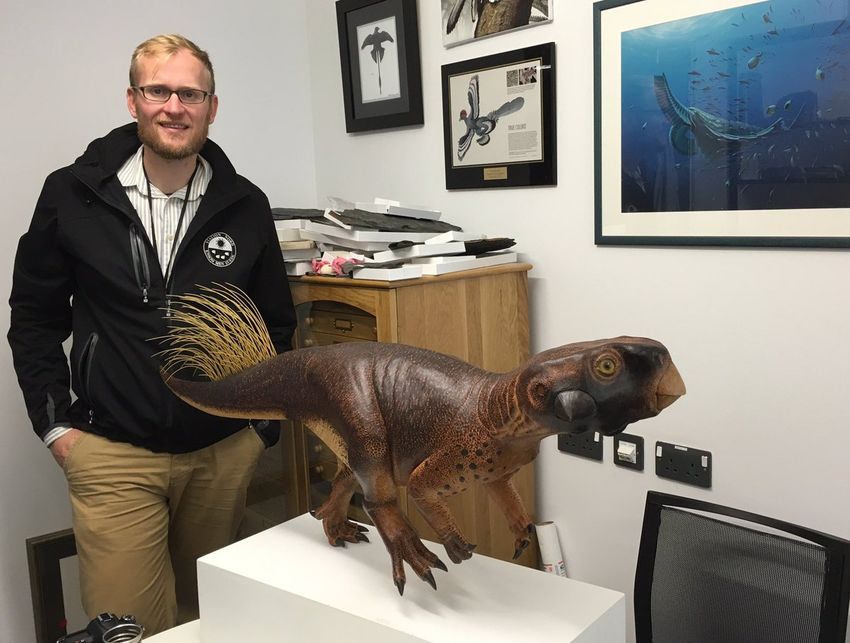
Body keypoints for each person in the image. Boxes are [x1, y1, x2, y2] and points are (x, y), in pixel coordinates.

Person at [7, 34, 296, 635]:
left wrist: (258, 429)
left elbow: (275, 326)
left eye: (191, 93)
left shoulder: (244, 204)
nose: (174, 106)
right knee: (130, 628)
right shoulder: (73, 194)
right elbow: (33, 319)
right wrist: (57, 427)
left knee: (211, 615)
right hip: (112, 454)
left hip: (221, 453)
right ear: (133, 100)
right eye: (158, 90)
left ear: (212, 107)